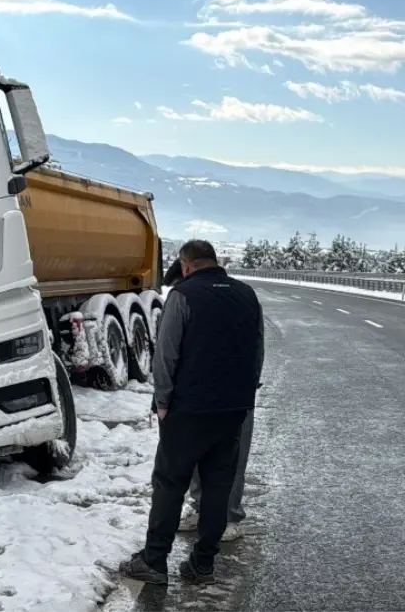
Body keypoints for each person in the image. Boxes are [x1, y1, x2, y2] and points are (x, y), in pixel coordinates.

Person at [119, 240, 265, 586]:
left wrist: (162, 402)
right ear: (214, 261)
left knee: (170, 483)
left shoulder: (182, 295)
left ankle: (154, 560)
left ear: (186, 265)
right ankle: (202, 564)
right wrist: (245, 396)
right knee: (218, 486)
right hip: (232, 410)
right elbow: (257, 349)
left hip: (188, 409)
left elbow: (166, 354)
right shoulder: (247, 294)